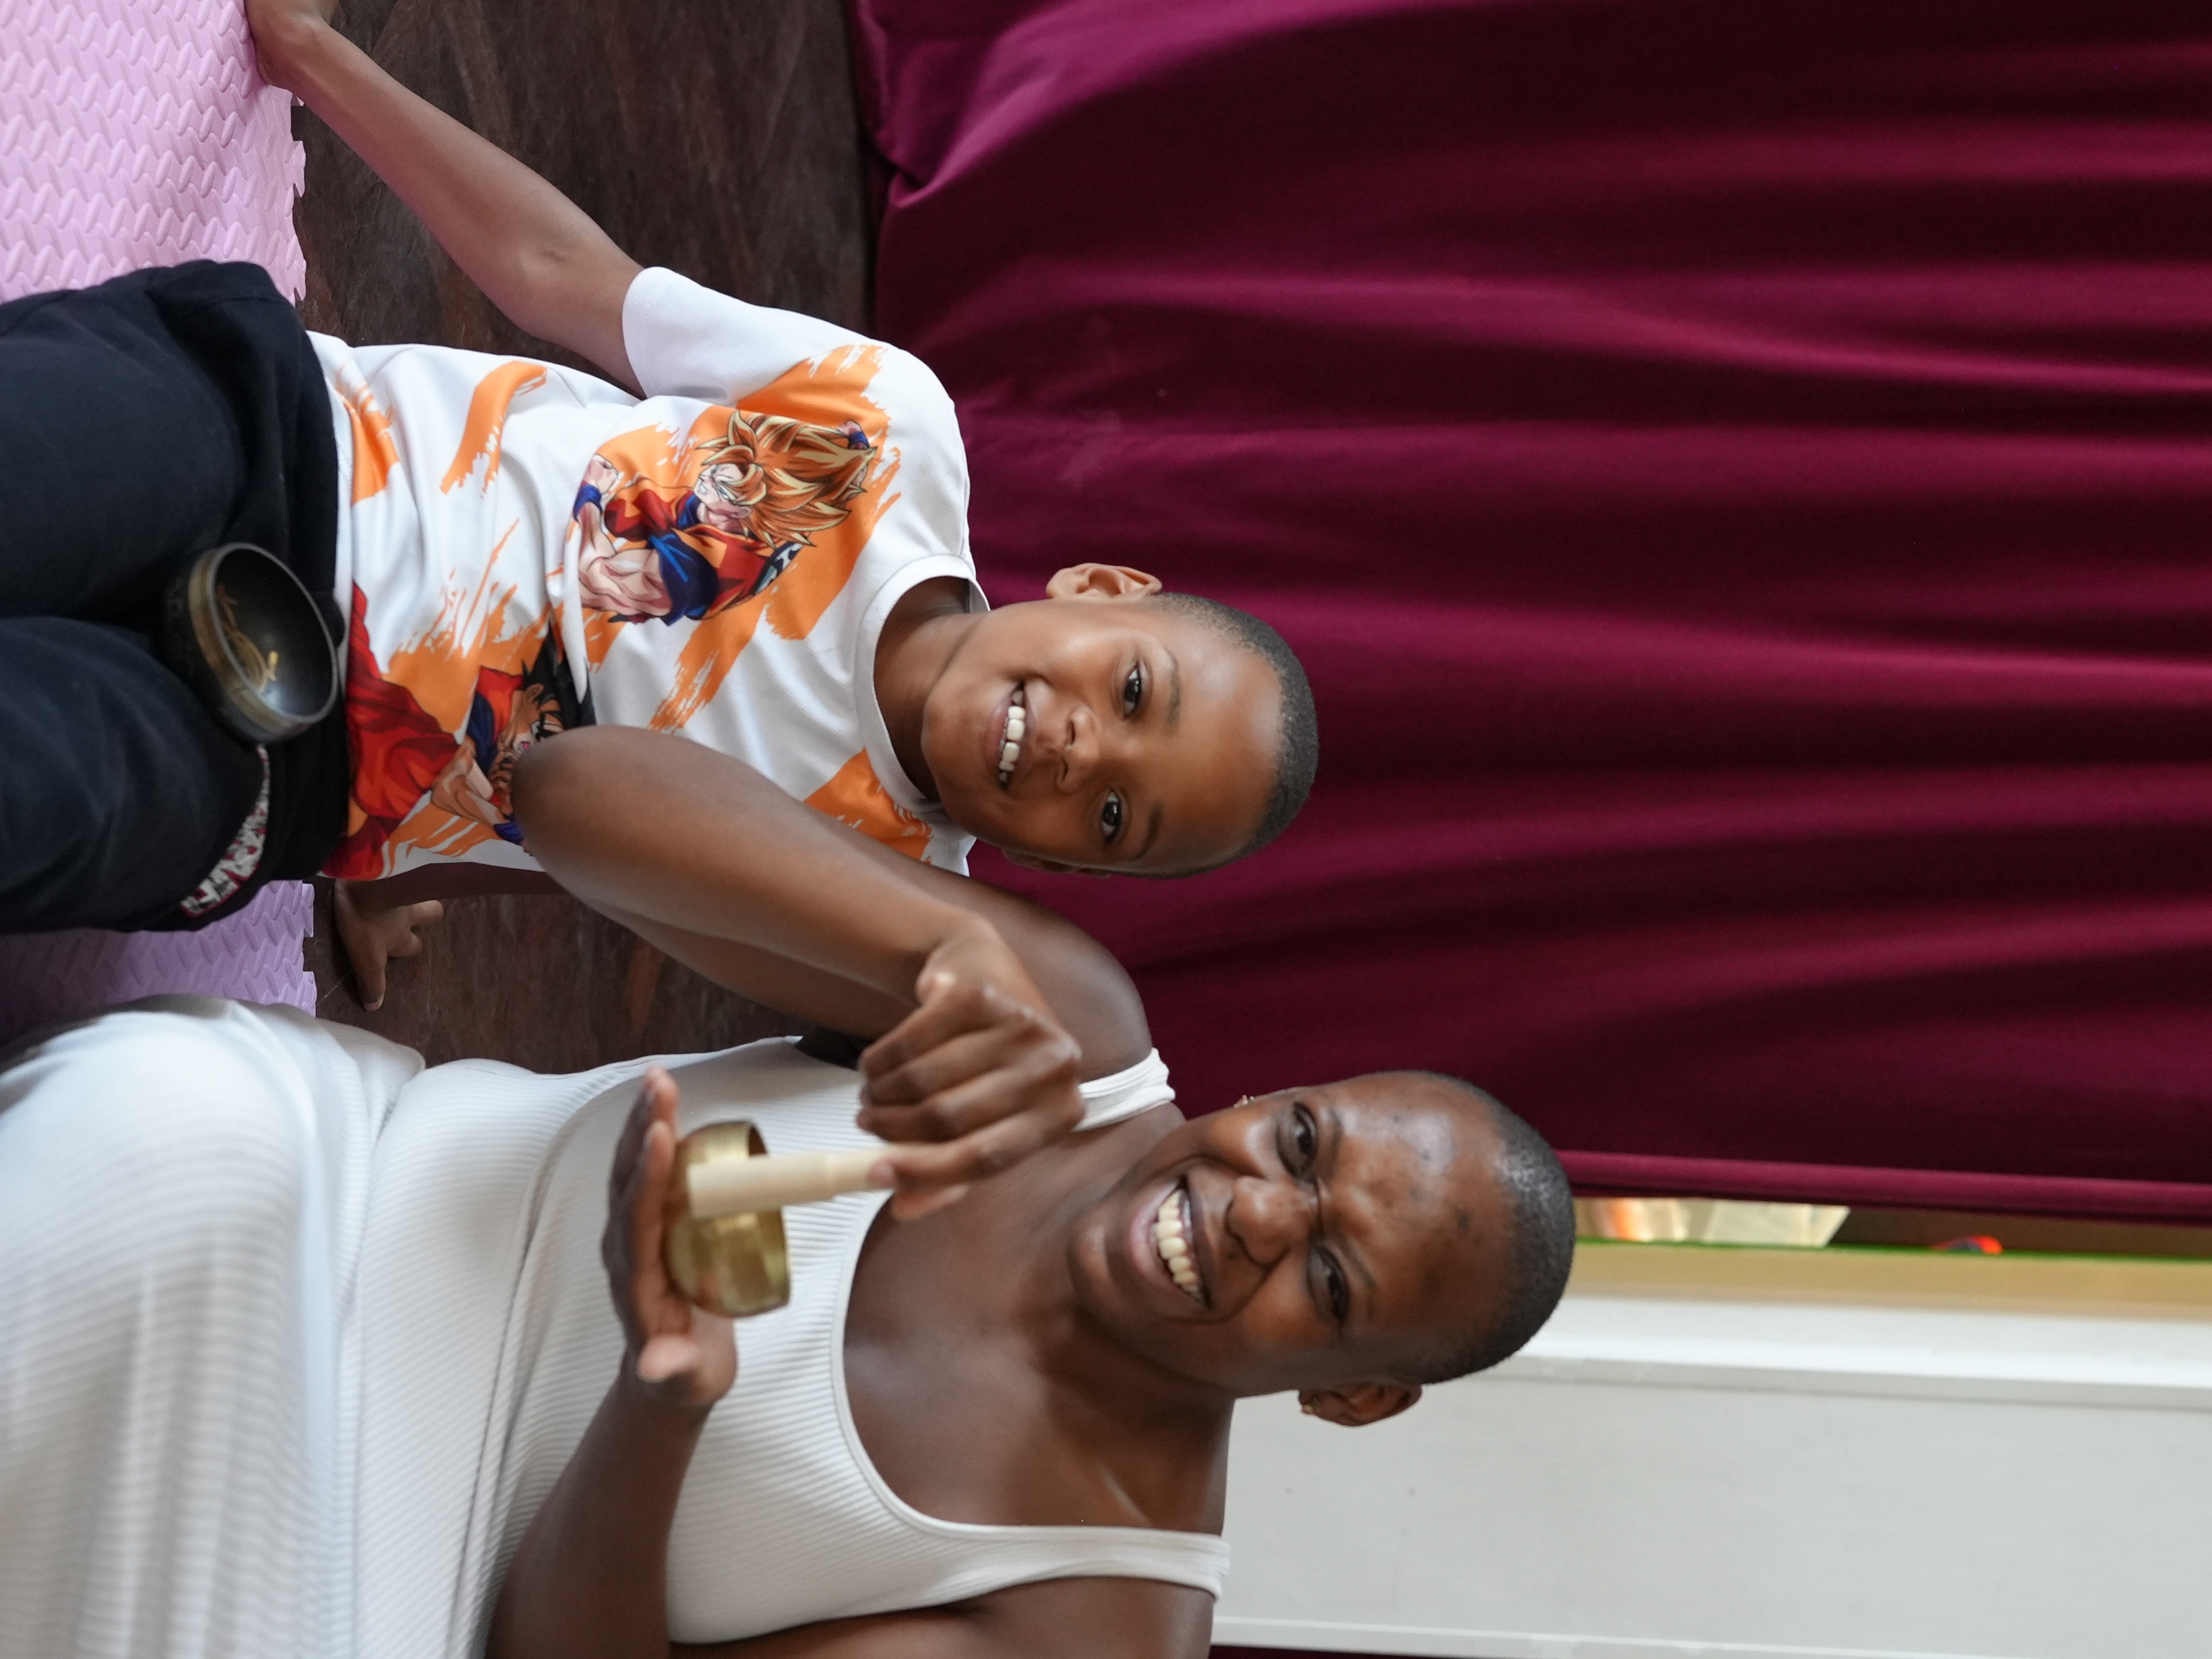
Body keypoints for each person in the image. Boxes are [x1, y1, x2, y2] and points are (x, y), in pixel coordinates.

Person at [0, 729, 1573, 1659]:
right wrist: (928, 950)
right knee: (160, 1124)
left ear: (1357, 1397)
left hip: (375, 1583)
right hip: (354, 1191)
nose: (1249, 1214)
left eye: (1333, 1280)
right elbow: (562, 790)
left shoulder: (1090, 1612)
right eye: (1299, 1149)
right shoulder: (1065, 1032)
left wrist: (666, 1399)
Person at [0, 0, 1320, 1006]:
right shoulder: (886, 429)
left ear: (1075, 875)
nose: (1088, 751)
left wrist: (380, 858)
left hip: (288, 768)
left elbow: (591, 853)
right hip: (277, 439)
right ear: (1102, 591)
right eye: (1135, 692)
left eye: (1112, 821)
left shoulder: (880, 891)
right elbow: (563, 273)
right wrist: (312, 58)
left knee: (36, 789)